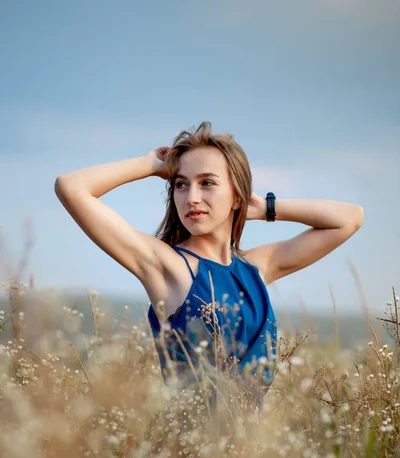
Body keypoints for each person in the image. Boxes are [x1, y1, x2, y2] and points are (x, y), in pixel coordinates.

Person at [54, 121, 364, 411]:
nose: (192, 198)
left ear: (237, 196)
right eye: (181, 185)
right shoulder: (169, 268)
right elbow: (71, 187)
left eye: (207, 183)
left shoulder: (256, 269)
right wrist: (149, 165)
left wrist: (265, 208)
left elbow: (349, 219)